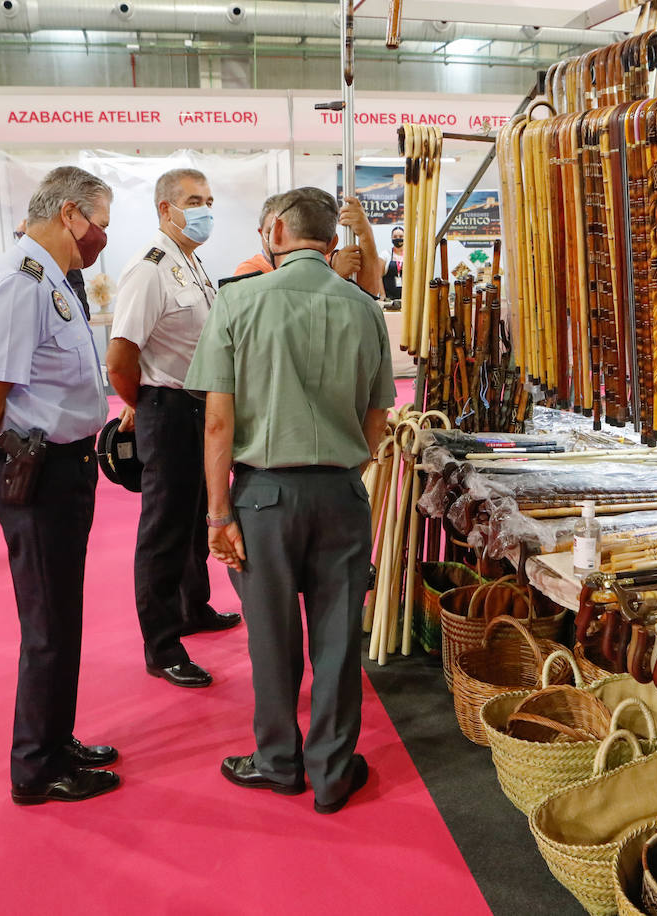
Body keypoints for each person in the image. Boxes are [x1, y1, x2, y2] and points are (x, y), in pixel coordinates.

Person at [185, 187, 395, 814]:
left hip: (263, 497)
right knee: (337, 638)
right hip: (340, 492)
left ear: (273, 229)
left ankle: (277, 762)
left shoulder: (238, 301)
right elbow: (378, 416)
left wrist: (219, 512)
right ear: (331, 240)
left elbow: (218, 423)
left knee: (270, 637)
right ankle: (332, 772)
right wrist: (342, 468)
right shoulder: (364, 309)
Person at [0, 166, 120, 805]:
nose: (100, 239)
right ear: (70, 213)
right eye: (99, 225)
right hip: (35, 475)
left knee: (62, 618)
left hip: (64, 468)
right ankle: (35, 769)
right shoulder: (21, 282)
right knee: (48, 623)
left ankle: (55, 738)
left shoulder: (50, 278)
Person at [105, 168, 239, 689]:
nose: (204, 209)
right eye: (193, 200)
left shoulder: (190, 261)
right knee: (163, 532)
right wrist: (142, 403)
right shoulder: (151, 268)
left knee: (192, 521)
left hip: (197, 407)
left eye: (208, 199)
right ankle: (161, 645)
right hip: (167, 406)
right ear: (166, 209)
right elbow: (120, 356)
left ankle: (192, 608)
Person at [232, 196, 384, 296]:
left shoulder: (324, 260)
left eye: (287, 231)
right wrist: (333, 277)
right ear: (261, 232)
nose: (279, 238)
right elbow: (277, 310)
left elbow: (367, 296)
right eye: (271, 231)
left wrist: (366, 235)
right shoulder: (249, 271)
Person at [382, 225, 405, 301]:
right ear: (391, 238)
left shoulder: (411, 255)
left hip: (407, 297)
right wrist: (383, 295)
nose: (398, 238)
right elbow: (378, 276)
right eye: (395, 236)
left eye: (401, 236)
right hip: (389, 297)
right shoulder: (385, 254)